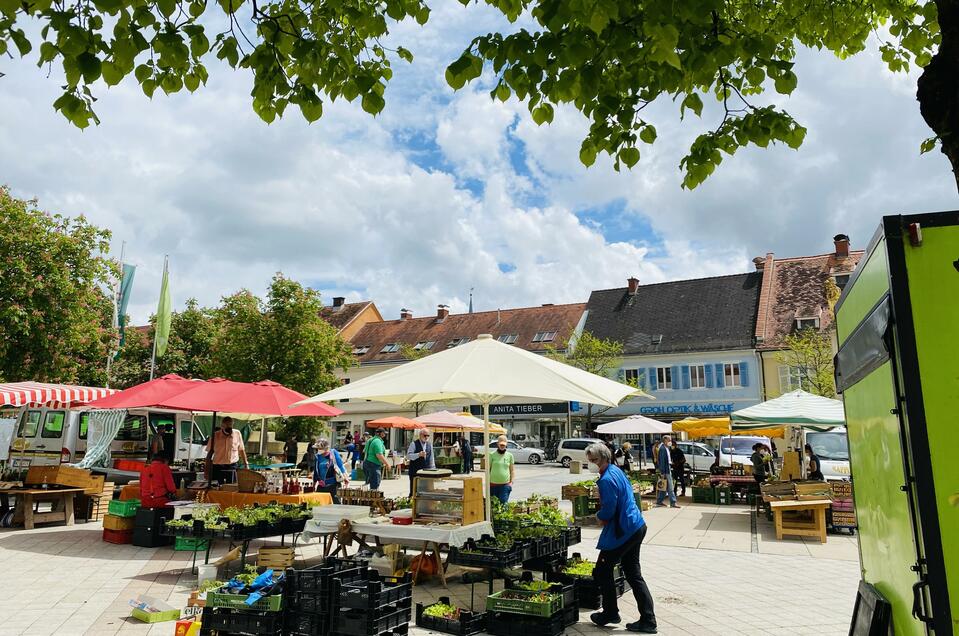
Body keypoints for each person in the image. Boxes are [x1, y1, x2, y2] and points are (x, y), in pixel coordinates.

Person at [586, 442, 657, 633]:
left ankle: (610, 612)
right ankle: (648, 620)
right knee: (634, 575)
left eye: (593, 460)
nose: (590, 464)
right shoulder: (616, 470)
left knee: (602, 569)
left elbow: (609, 510)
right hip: (636, 525)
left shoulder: (606, 480)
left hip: (623, 530)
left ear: (603, 458)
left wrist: (598, 516)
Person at [205, 416, 248, 484]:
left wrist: (246, 464)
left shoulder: (237, 433)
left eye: (230, 425)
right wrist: (206, 471)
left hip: (232, 466)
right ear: (222, 426)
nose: (229, 428)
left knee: (232, 489)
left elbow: (241, 450)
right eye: (226, 426)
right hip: (218, 467)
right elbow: (209, 453)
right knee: (217, 489)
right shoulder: (215, 436)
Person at [314, 438, 349, 502]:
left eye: (320, 448)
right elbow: (316, 471)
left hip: (334, 485)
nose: (318, 450)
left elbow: (340, 465)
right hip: (322, 485)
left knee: (336, 504)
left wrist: (345, 477)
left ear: (325, 448)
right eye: (318, 448)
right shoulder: (317, 457)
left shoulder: (333, 453)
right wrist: (314, 484)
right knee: (318, 504)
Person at [406, 428, 436, 496]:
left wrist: (433, 469)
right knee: (414, 489)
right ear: (420, 435)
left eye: (428, 435)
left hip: (426, 471)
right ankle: (412, 503)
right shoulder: (413, 444)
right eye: (425, 435)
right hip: (415, 471)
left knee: (425, 490)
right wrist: (418, 454)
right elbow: (408, 456)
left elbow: (432, 458)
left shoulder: (429, 444)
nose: (426, 437)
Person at [489, 435, 515, 504]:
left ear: (506, 445)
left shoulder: (510, 456)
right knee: (494, 505)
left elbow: (512, 470)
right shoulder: (491, 455)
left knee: (503, 504)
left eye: (503, 445)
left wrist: (511, 482)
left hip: (505, 485)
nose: (502, 446)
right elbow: (488, 469)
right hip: (493, 485)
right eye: (501, 445)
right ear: (497, 444)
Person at [655, 435, 679, 508]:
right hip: (665, 470)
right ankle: (673, 502)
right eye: (669, 440)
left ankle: (659, 501)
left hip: (667, 468)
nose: (670, 442)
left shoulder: (665, 448)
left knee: (664, 486)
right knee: (670, 487)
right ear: (665, 440)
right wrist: (662, 472)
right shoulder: (662, 449)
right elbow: (661, 461)